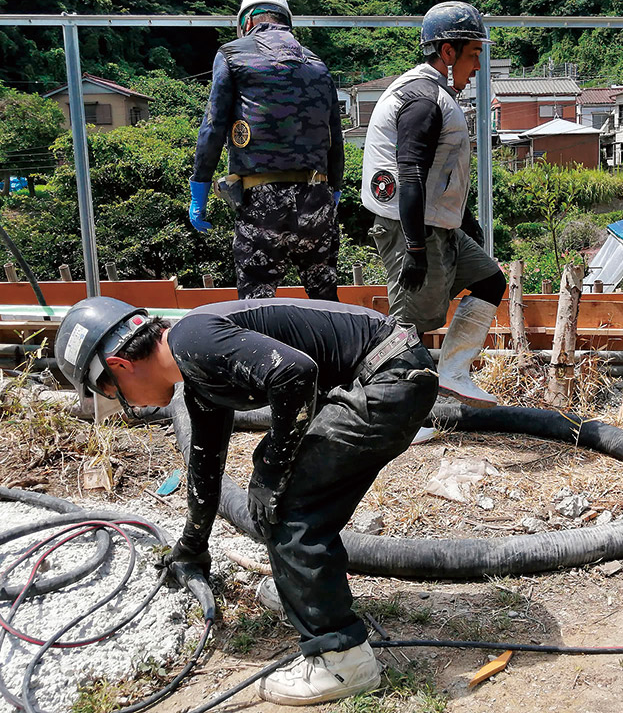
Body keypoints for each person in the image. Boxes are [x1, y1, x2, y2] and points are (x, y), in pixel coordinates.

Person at [54, 296, 438, 705]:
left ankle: (342, 659)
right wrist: (192, 546)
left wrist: (271, 472)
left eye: (121, 397)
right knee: (295, 494)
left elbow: (296, 373)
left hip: (390, 374)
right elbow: (205, 468)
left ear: (120, 365)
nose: (135, 406)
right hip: (391, 372)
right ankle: (305, 596)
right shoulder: (199, 375)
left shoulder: (193, 338)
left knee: (288, 503)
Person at [362, 0, 507, 418]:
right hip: (413, 231)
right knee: (409, 329)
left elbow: (441, 173)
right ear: (447, 52)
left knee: (489, 281)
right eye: (474, 53)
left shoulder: (437, 94)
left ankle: (453, 373)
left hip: (436, 226)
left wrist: (465, 222)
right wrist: (415, 249)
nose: (478, 65)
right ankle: (397, 414)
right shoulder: (423, 99)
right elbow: (410, 175)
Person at [188, 0, 344, 301]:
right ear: (287, 21)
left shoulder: (232, 54)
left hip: (261, 201)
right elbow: (334, 138)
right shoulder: (318, 64)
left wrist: (199, 192)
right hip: (317, 197)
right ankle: (336, 350)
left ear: (246, 22)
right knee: (326, 302)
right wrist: (335, 191)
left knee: (256, 305)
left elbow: (213, 128)